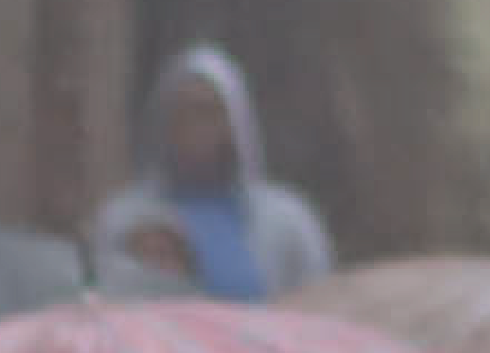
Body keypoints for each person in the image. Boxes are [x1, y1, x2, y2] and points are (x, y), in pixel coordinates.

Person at [89, 43, 331, 297]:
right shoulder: (125, 219)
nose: (194, 126)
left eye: (207, 111)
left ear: (235, 122)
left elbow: (321, 302)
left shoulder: (288, 221)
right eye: (182, 112)